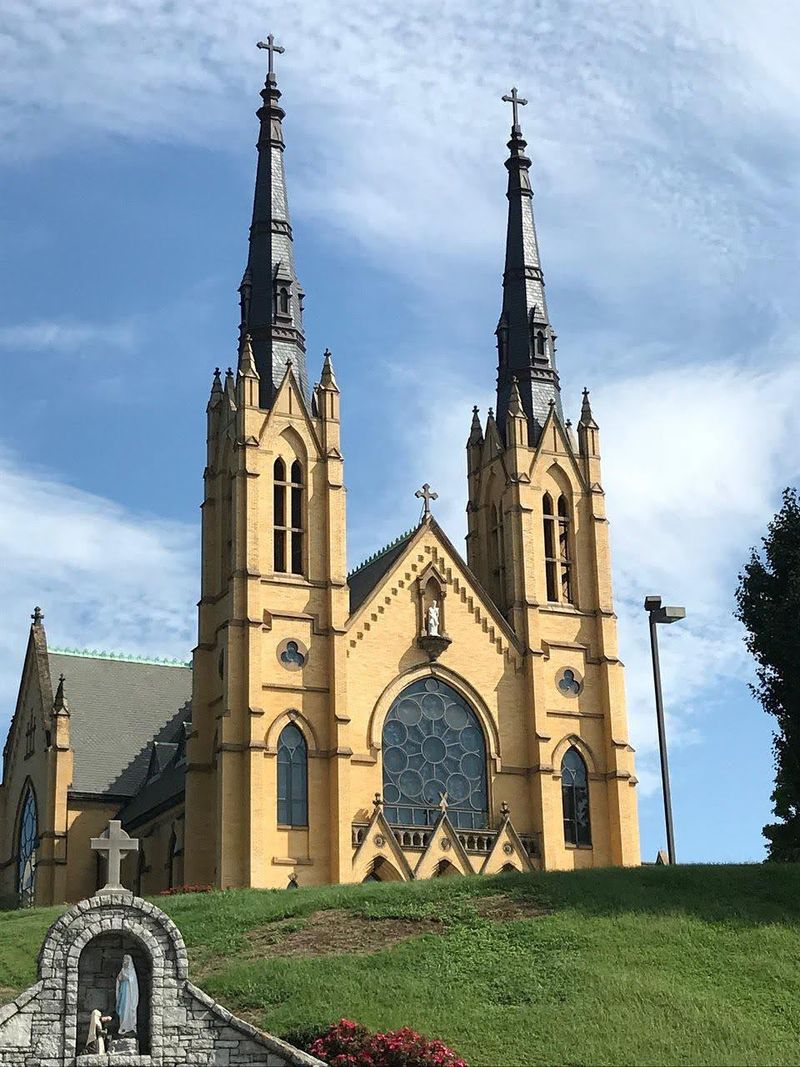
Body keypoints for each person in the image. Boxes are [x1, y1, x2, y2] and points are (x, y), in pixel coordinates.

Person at [115, 954, 139, 1037]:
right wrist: (120, 978)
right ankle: (123, 1026)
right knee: (122, 1008)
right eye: (124, 960)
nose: (125, 961)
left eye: (127, 960)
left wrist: (127, 978)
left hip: (130, 994)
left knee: (129, 1009)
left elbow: (133, 982)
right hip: (123, 992)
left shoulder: (132, 971)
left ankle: (130, 1027)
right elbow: (118, 979)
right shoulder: (122, 970)